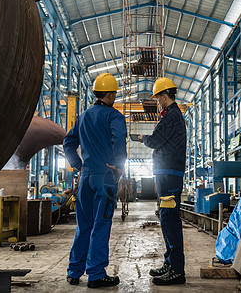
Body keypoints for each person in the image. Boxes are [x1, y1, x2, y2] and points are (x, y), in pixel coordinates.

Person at [64, 73, 127, 288]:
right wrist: (119, 165)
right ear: (109, 95)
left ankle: (74, 272)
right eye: (114, 95)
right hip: (106, 178)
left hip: (86, 179)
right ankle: (96, 274)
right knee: (101, 224)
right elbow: (119, 140)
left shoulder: (83, 117)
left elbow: (68, 142)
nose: (115, 98)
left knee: (84, 226)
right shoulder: (114, 116)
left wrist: (78, 165)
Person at [138, 77, 187, 285]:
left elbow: (156, 141)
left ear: (164, 96)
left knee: (169, 218)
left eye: (158, 99)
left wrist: (142, 138)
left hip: (169, 174)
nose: (157, 102)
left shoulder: (172, 116)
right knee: (166, 217)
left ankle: (177, 270)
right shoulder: (171, 115)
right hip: (166, 173)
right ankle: (170, 262)